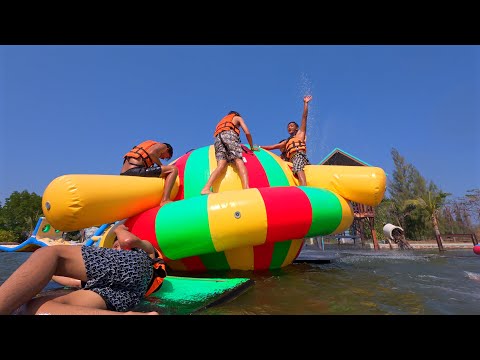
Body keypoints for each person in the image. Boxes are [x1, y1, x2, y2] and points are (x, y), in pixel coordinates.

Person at [0, 224, 166, 315]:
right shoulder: (104, 276)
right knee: (31, 308)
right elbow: (65, 278)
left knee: (50, 254)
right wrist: (41, 272)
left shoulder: (143, 253)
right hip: (128, 295)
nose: (116, 247)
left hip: (133, 276)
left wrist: (119, 229)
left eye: (115, 244)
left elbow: (128, 240)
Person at [200, 111, 259, 195]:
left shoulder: (223, 120)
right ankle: (246, 188)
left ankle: (206, 188)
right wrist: (251, 146)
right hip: (229, 135)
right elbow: (247, 132)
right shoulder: (237, 117)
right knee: (239, 160)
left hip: (218, 139)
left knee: (221, 165)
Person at [259, 95, 312, 186]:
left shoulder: (300, 134)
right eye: (288, 126)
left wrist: (305, 103)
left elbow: (304, 117)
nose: (289, 127)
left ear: (296, 128)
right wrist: (259, 147)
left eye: (291, 126)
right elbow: (273, 146)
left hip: (299, 156)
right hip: (293, 159)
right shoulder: (287, 141)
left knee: (298, 168)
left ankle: (304, 187)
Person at [120, 140, 178, 208]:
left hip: (124, 172)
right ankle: (165, 200)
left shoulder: (148, 146)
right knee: (173, 169)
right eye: (166, 157)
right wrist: (161, 166)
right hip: (135, 170)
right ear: (167, 150)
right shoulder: (163, 146)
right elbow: (152, 153)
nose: (163, 158)